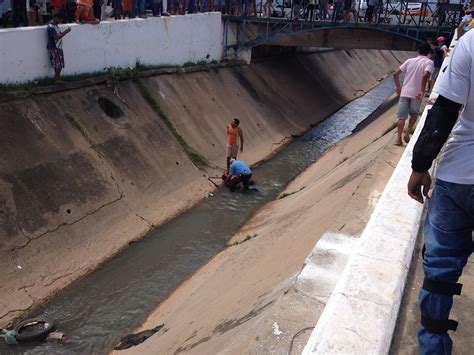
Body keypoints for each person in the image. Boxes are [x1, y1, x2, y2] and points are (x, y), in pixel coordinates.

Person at [407, 29, 474, 355]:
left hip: (457, 176)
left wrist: (420, 165)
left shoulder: (471, 43)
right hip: (456, 178)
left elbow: (445, 109)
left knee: (439, 274)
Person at [393, 42, 433, 146]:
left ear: (418, 51)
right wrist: (422, 90)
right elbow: (425, 75)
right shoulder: (429, 62)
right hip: (417, 94)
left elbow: (395, 74)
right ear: (429, 52)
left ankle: (398, 139)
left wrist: (398, 86)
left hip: (405, 92)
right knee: (414, 114)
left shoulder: (409, 61)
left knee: (401, 117)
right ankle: (407, 132)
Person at [47, 13, 71, 84]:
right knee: (58, 64)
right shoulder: (51, 27)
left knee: (59, 64)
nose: (60, 21)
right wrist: (65, 32)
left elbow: (58, 34)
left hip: (58, 47)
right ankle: (57, 79)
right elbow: (56, 37)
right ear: (56, 18)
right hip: (54, 47)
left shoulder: (55, 25)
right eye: (60, 19)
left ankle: (57, 78)